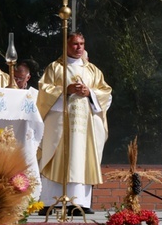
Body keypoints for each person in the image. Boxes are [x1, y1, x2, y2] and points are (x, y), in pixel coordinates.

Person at [37, 32, 112, 214]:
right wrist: (65, 90)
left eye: (82, 44)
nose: (79, 48)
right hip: (59, 126)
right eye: (75, 44)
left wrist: (90, 93)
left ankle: (79, 203)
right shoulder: (55, 68)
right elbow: (43, 92)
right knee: (56, 157)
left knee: (81, 157)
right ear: (66, 46)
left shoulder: (93, 70)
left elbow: (106, 94)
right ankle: (49, 202)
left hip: (84, 127)